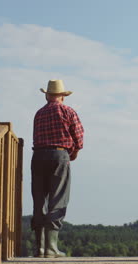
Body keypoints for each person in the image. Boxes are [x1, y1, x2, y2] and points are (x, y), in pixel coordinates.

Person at [31, 79, 84, 258]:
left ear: (47, 95)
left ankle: (39, 247)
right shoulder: (68, 111)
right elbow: (79, 137)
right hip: (59, 155)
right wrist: (74, 152)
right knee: (58, 199)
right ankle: (51, 248)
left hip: (38, 156)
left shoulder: (39, 114)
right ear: (62, 96)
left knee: (39, 199)